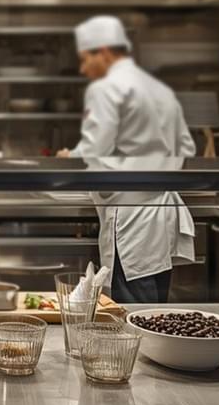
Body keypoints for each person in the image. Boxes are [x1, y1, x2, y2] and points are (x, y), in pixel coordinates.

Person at [57, 15, 196, 304]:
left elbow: (96, 150)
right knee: (155, 314)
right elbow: (185, 147)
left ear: (104, 53)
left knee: (133, 319)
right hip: (159, 219)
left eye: (85, 60)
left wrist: (70, 159)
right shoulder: (160, 90)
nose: (84, 69)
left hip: (129, 220)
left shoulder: (106, 89)